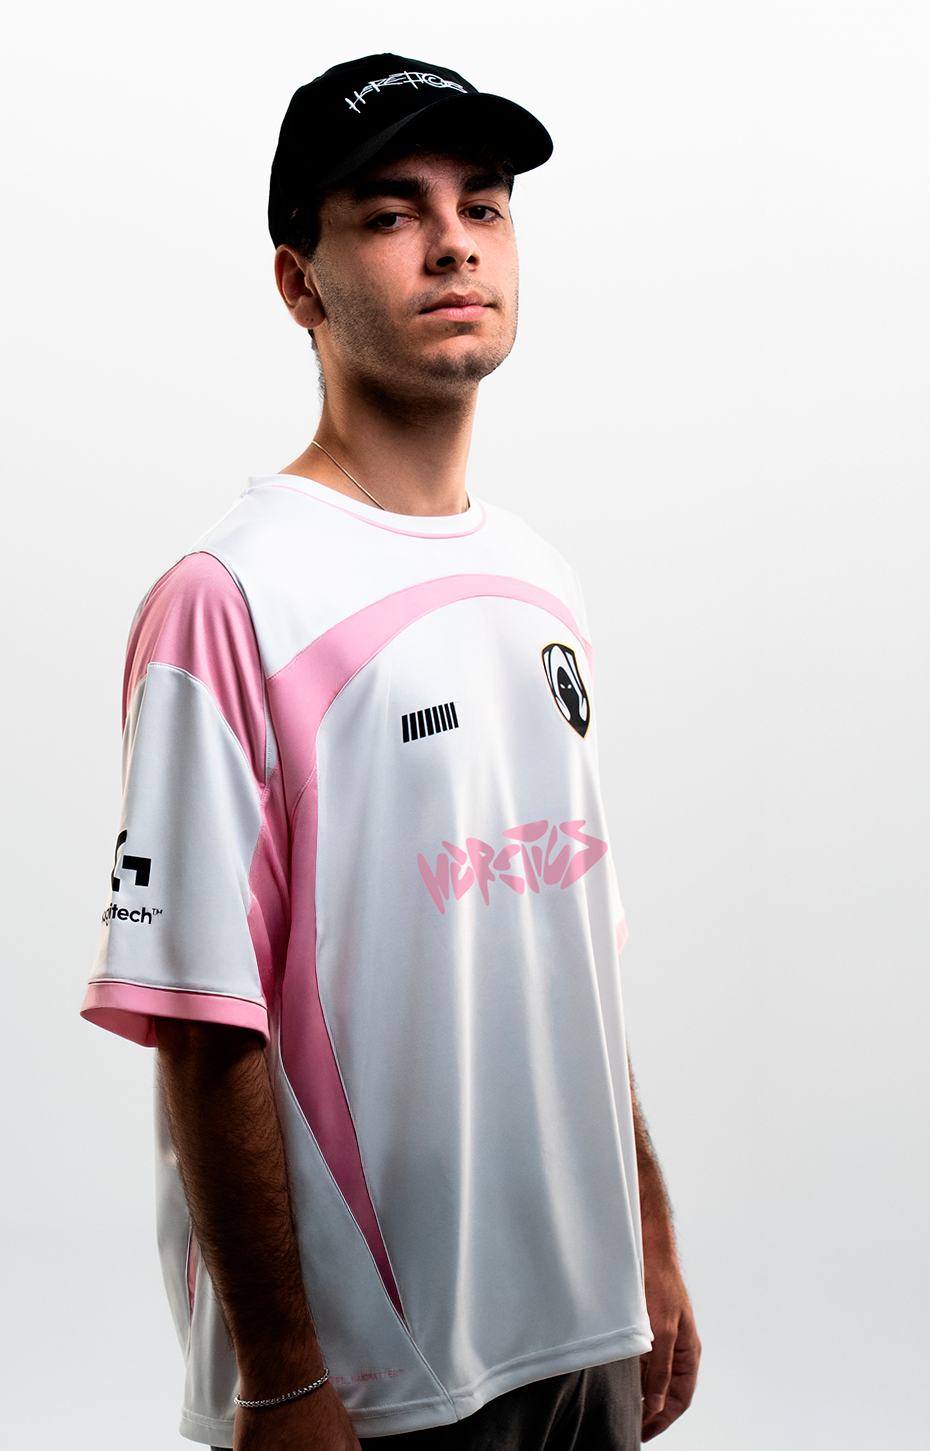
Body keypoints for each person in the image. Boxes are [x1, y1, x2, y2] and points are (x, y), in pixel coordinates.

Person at [82, 52, 700, 1451]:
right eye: (390, 213)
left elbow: (566, 950)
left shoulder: (542, 579)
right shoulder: (229, 598)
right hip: (378, 1382)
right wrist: (281, 1373)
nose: (454, 243)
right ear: (298, 283)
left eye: (483, 205)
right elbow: (200, 1014)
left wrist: (647, 1233)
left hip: (582, 1332)